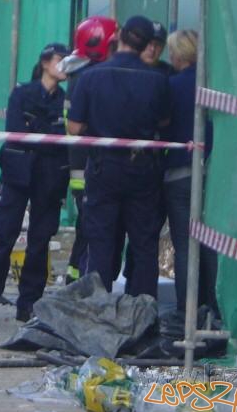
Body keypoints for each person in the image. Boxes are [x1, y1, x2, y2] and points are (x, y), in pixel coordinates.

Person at [0, 43, 70, 323]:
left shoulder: (66, 101)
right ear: (46, 63)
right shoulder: (23, 93)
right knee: (4, 237)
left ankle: (29, 304)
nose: (65, 66)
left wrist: (38, 127)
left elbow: (62, 137)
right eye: (61, 60)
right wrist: (45, 131)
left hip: (49, 176)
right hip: (18, 174)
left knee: (40, 240)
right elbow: (18, 131)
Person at [67, 16, 170, 298]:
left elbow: (74, 128)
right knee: (143, 245)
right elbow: (164, 122)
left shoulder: (91, 76)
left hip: (103, 168)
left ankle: (98, 312)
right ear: (148, 44)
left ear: (120, 36)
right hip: (144, 170)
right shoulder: (158, 80)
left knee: (100, 243)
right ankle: (143, 315)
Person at [59, 16, 118, 284]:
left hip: (82, 167)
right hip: (89, 168)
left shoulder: (78, 75)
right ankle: (79, 284)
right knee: (92, 231)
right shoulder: (87, 78)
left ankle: (74, 279)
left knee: (86, 230)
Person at [164, 29, 217, 315]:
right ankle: (214, 306)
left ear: (178, 54)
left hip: (179, 173)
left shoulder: (172, 86)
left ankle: (188, 310)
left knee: (185, 246)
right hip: (214, 173)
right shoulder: (214, 85)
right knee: (212, 245)